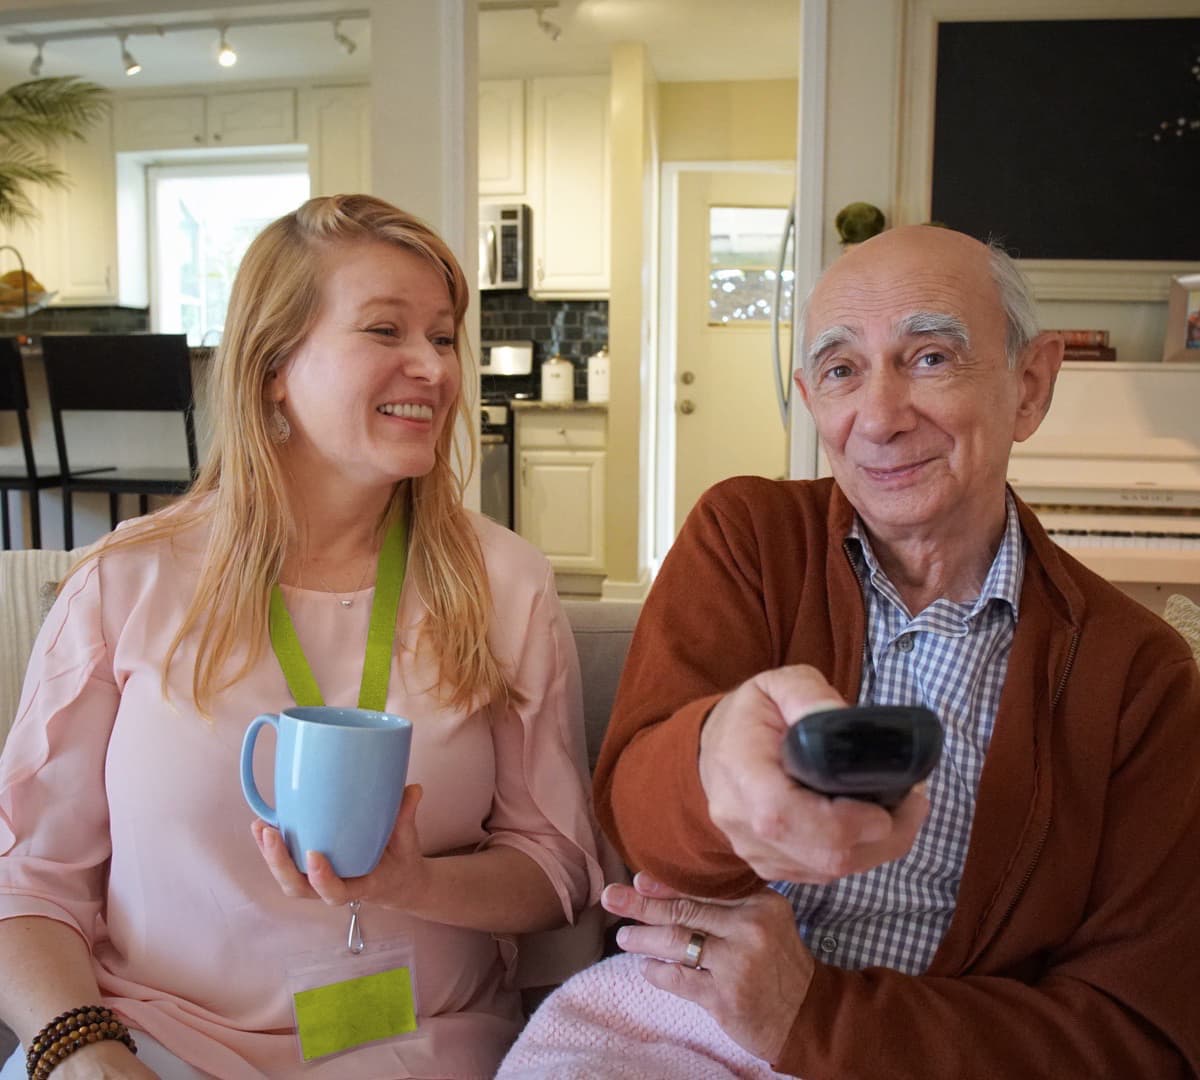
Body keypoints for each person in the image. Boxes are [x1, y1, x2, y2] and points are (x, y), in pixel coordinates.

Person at [499, 225, 1200, 1078]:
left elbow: (1138, 1036)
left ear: (1031, 384)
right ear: (809, 398)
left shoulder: (1140, 677)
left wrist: (815, 1017)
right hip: (679, 1029)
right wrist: (712, 758)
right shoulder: (748, 540)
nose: (878, 416)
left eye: (931, 357)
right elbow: (639, 816)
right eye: (841, 371)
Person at [0, 194, 610, 1079]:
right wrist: (80, 1049)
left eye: (442, 338)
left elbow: (556, 869)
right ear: (273, 366)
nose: (433, 369)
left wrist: (415, 883)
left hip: (415, 1046)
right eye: (385, 330)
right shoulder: (125, 581)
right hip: (151, 1043)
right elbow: (27, 880)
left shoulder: (506, 583)